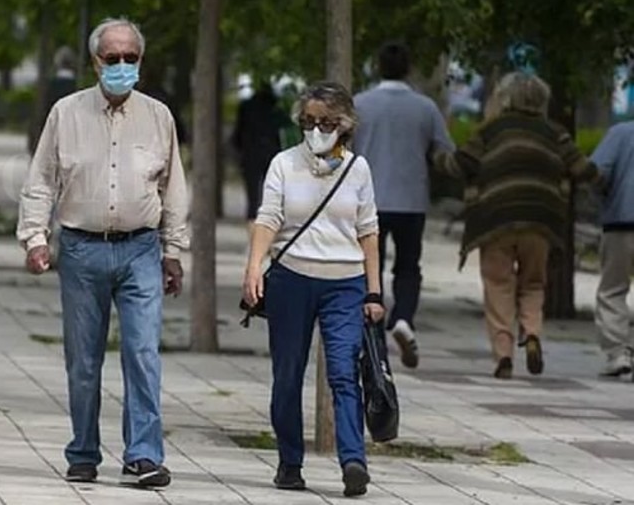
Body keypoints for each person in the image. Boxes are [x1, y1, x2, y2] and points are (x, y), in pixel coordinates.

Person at [17, 18, 188, 490]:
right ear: (95, 62)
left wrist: (173, 251)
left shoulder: (158, 116)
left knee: (142, 352)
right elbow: (41, 180)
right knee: (84, 359)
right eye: (111, 58)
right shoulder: (66, 113)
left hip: (140, 249)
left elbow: (174, 188)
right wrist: (35, 239)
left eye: (130, 57)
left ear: (141, 61)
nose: (121, 65)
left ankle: (144, 455)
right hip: (81, 248)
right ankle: (84, 450)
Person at [242, 81, 382, 497]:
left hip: (345, 283)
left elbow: (369, 231)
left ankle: (353, 460)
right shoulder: (284, 164)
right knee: (287, 375)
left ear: (344, 124)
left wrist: (374, 292)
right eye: (308, 121)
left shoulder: (359, 170)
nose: (316, 129)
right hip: (291, 280)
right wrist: (254, 267)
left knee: (343, 373)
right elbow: (268, 217)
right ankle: (289, 461)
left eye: (326, 122)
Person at [433, 72, 599, 379]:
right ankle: (533, 333)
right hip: (541, 221)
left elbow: (460, 165)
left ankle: (503, 354)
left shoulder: (491, 130)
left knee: (499, 284)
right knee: (533, 283)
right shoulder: (554, 133)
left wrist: (435, 157)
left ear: (505, 97)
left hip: (495, 219)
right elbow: (584, 169)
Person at [352, 42, 455, 369]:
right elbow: (444, 151)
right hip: (411, 200)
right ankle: (404, 318)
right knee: (409, 267)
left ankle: (375, 340)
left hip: (369, 201)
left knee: (372, 270)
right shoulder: (425, 108)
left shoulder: (360, 105)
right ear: (409, 69)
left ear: (377, 67)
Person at [590, 119, 634, 377]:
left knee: (613, 289)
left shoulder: (620, 133)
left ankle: (617, 353)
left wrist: (605, 198)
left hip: (621, 221)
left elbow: (597, 173)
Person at [233, 80, 292, 222]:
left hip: (250, 154)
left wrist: (240, 149)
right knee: (272, 194)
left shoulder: (246, 107)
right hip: (271, 153)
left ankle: (252, 229)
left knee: (252, 196)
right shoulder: (275, 109)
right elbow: (286, 125)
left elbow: (238, 132)